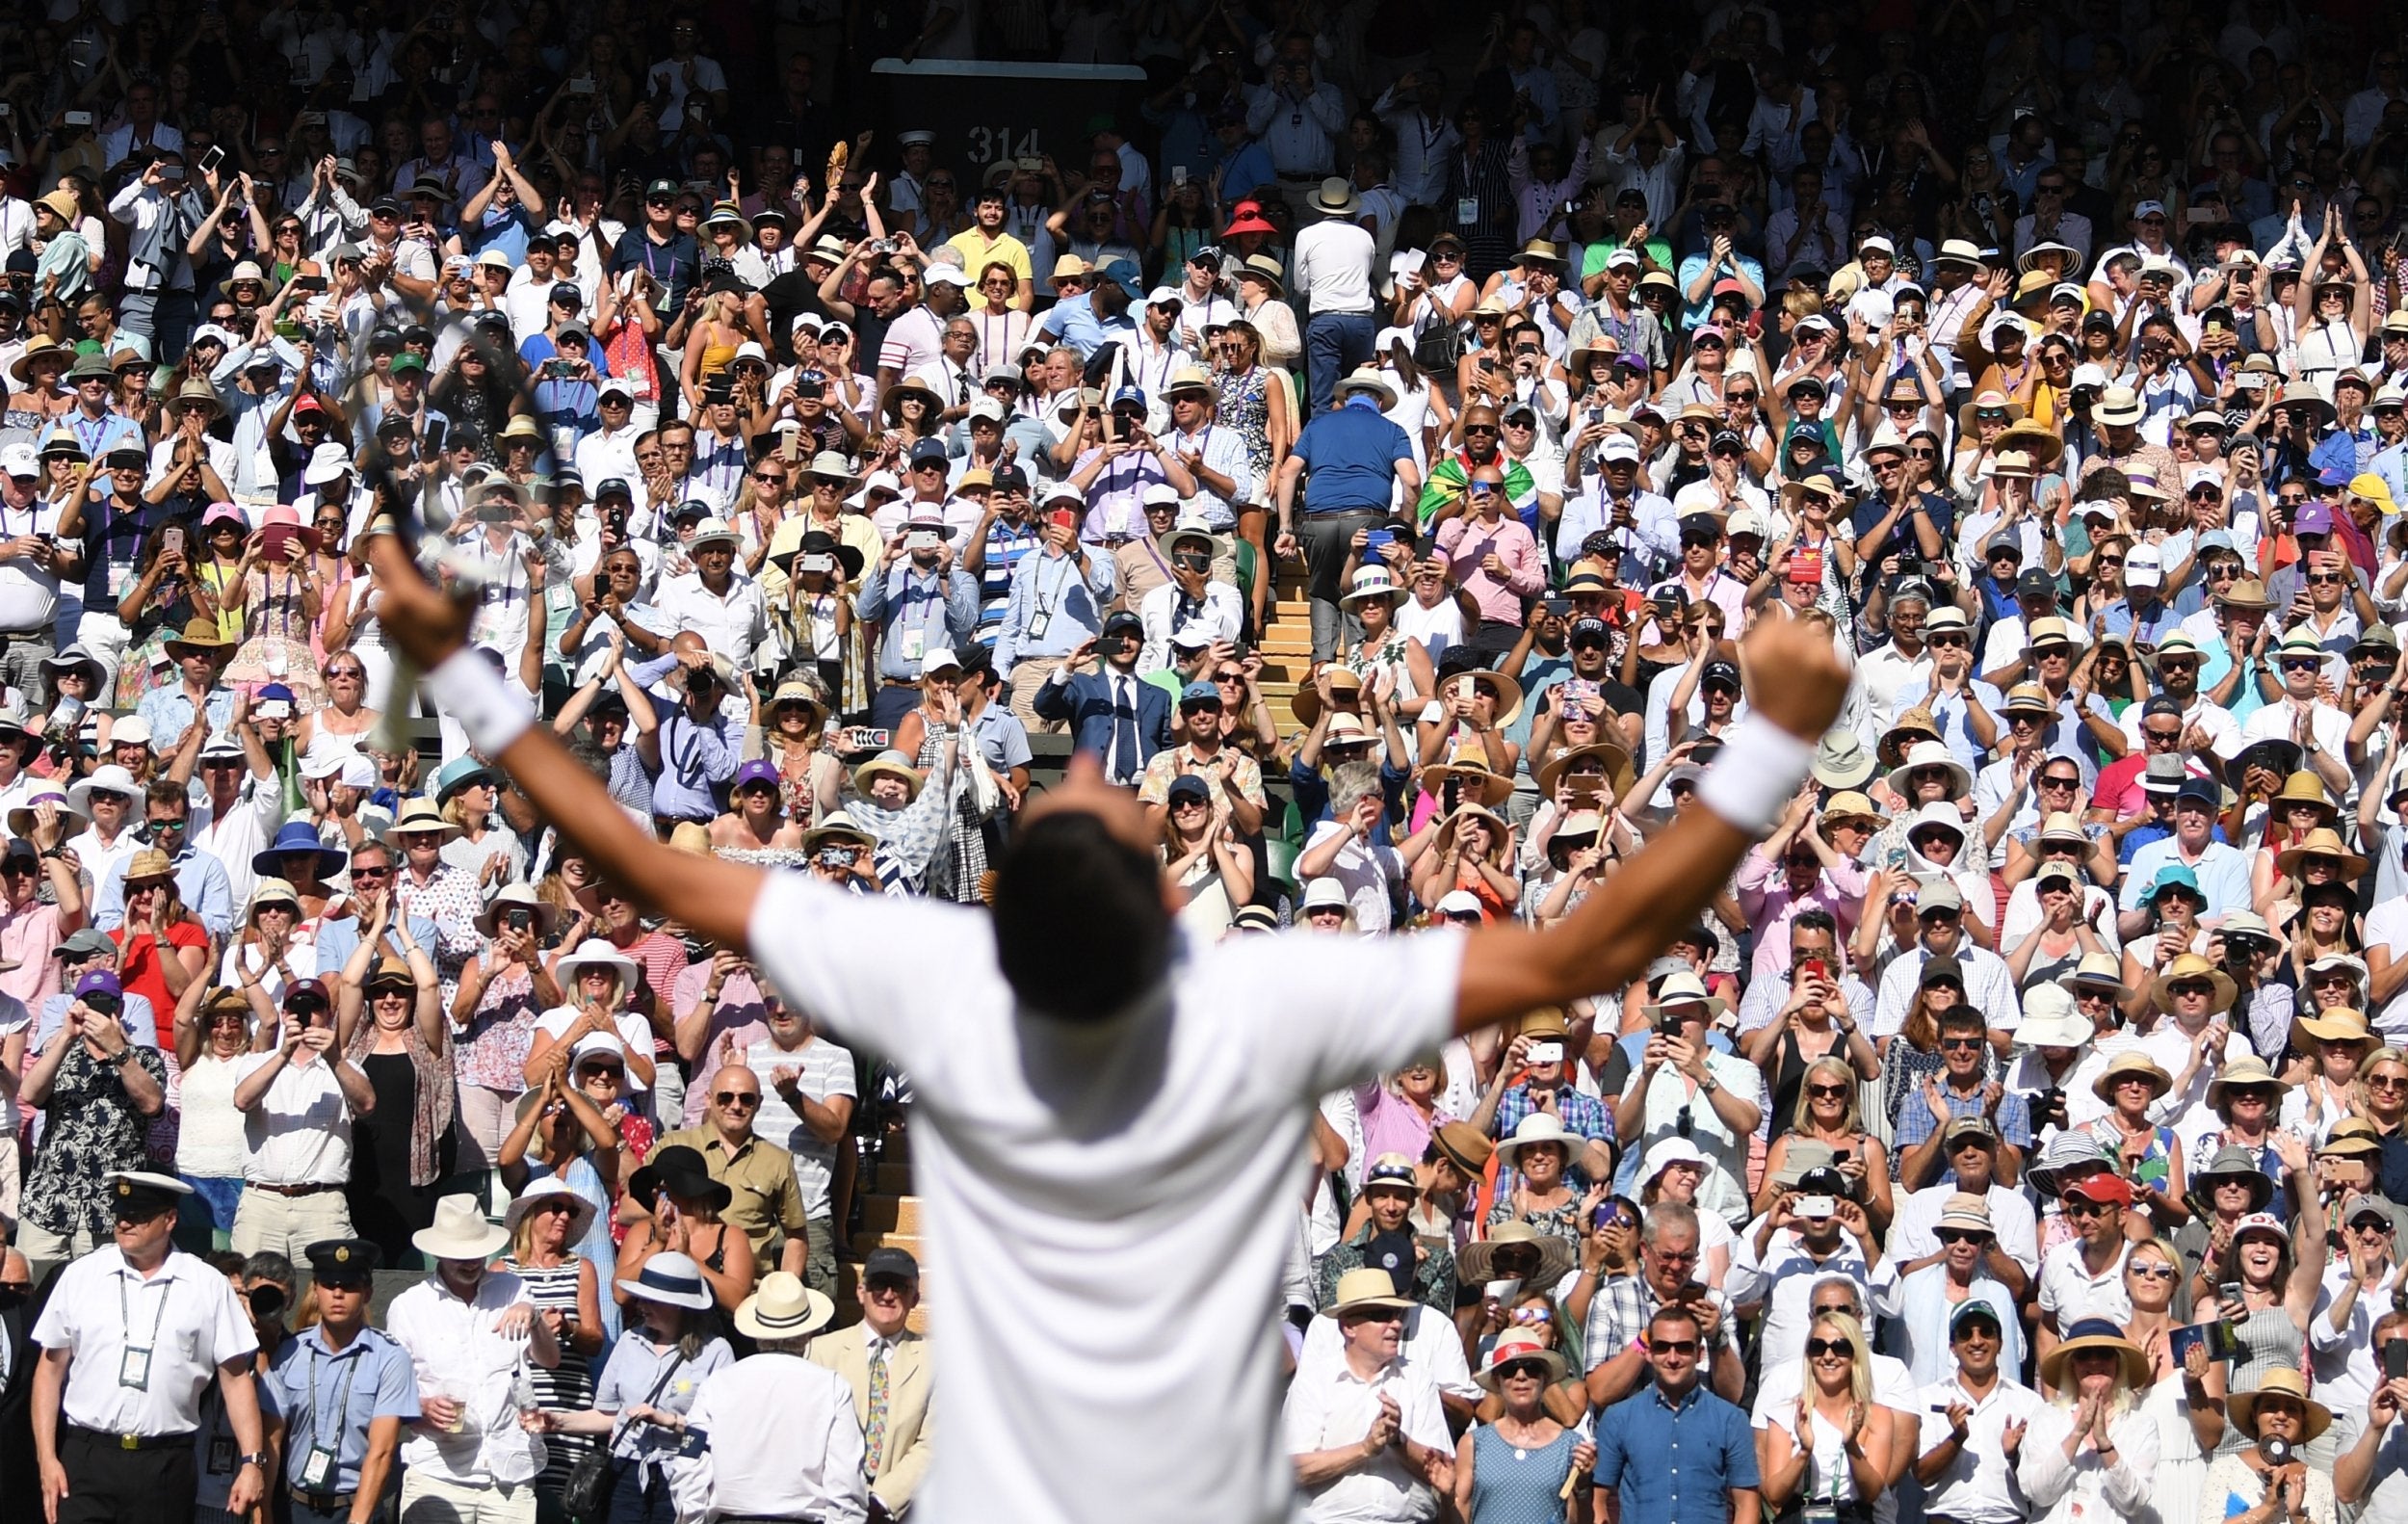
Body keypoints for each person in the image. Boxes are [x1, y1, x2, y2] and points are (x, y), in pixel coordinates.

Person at [363, 509, 1853, 1521]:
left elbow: (641, 860)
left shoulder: (942, 981)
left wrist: (459, 674)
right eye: (1121, 807)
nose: (1100, 770)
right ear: (1167, 918)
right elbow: (1597, 941)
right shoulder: (1258, 1000)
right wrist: (1774, 732)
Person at [29, 1172, 270, 1524]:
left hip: (165, 1464)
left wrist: (252, 1462)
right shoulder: (81, 1275)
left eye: (139, 1215)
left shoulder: (207, 1284)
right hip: (87, 1458)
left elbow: (235, 1379)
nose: (125, 1222)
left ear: (170, 1219)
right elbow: (49, 1370)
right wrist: (46, 1458)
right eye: (120, 1212)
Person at [384, 1196, 563, 1524]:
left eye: (476, 1254)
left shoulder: (514, 1289)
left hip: (510, 1470)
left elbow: (550, 1361)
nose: (470, 1263)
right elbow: (390, 1393)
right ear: (437, 1252)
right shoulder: (409, 1307)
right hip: (438, 1472)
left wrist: (535, 1317)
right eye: (460, 1256)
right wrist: (421, 1406)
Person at [525, 1251, 730, 1524]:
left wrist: (667, 1421)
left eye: (651, 1300)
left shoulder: (716, 1352)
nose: (640, 1305)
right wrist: (556, 1421)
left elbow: (721, 1430)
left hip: (683, 1476)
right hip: (625, 1473)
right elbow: (610, 1415)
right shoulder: (629, 1342)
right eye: (641, 1297)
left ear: (679, 1305)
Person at [667, 1272, 867, 1524]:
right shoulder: (831, 1387)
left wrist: (693, 1519)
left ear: (757, 1331)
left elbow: (690, 1465)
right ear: (809, 1332)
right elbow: (846, 1481)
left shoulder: (718, 1383)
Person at [1285, 1266, 1456, 1523]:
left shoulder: (1418, 1378)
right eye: (1382, 1315)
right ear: (1348, 1326)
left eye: (1398, 1314)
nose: (1397, 1324)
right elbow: (1292, 1470)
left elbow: (1444, 1471)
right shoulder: (1315, 1379)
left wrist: (1399, 1441)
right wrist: (1364, 1449)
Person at [269, 1239, 420, 1524]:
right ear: (315, 1290)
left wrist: (358, 1520)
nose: (338, 1294)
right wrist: (262, 1511)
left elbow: (382, 1450)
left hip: (355, 1507)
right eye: (328, 1285)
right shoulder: (289, 1352)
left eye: (349, 1286)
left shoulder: (389, 1357)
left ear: (367, 1293)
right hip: (295, 1508)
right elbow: (271, 1440)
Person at [1591, 1303, 1761, 1524]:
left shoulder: (1730, 1419)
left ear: (1699, 1354)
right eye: (1662, 1347)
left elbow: (1746, 1502)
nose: (1672, 1358)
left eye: (1683, 1348)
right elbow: (1599, 1500)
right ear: (1649, 1353)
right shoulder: (1618, 1418)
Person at [805, 1247, 933, 1518]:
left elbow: (933, 1444)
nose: (888, 1295)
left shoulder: (937, 1360)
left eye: (899, 1287)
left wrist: (883, 1501)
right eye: (878, 1285)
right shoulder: (820, 1352)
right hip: (827, 1508)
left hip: (899, 1511)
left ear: (915, 1298)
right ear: (861, 1292)